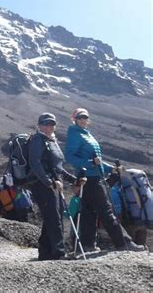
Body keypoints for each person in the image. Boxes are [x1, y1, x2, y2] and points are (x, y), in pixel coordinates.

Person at [65, 108, 145, 252]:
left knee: (89, 212)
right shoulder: (74, 134)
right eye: (80, 117)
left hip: (92, 177)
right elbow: (70, 157)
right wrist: (90, 163)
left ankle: (87, 245)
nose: (83, 120)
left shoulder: (86, 134)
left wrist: (110, 169)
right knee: (106, 211)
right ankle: (124, 243)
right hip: (89, 178)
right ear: (74, 119)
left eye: (85, 117)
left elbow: (98, 161)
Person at [28, 113, 80, 261]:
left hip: (54, 185)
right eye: (45, 124)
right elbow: (35, 162)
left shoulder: (51, 141)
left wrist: (72, 179)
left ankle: (45, 254)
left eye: (51, 124)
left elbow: (57, 167)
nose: (49, 127)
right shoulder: (38, 139)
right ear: (39, 125)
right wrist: (49, 182)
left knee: (52, 217)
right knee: (54, 218)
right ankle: (59, 253)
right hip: (43, 185)